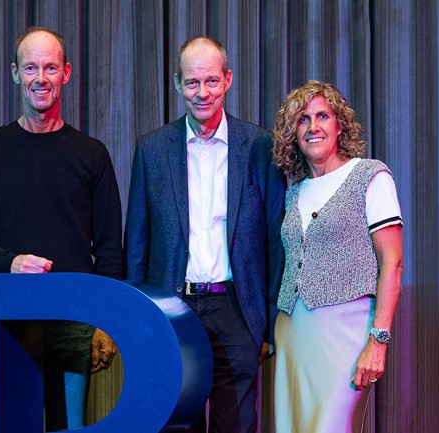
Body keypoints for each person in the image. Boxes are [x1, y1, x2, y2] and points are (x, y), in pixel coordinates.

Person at [0, 26, 123, 431]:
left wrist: (107, 320)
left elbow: (110, 248)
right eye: (31, 67)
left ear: (66, 73)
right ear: (15, 74)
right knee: (12, 425)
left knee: (69, 427)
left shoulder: (92, 154)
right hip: (7, 318)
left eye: (50, 67)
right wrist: (9, 262)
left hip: (74, 320)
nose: (40, 78)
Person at [125, 37, 286, 433]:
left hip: (237, 309)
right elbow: (138, 243)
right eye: (192, 82)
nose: (202, 92)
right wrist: (140, 317)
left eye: (211, 81)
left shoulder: (261, 147)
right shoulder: (152, 150)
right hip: (172, 308)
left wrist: (265, 321)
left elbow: (275, 240)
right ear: (178, 84)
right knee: (177, 425)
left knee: (237, 425)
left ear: (228, 80)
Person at [271, 80, 404, 432]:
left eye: (322, 116)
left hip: (346, 332)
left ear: (339, 124)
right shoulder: (293, 192)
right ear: (293, 133)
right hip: (292, 331)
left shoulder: (370, 175)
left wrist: (379, 340)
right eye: (302, 119)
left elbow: (393, 263)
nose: (313, 127)